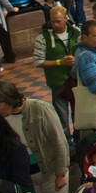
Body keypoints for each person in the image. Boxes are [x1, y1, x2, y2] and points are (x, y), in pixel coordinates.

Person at [33, 7, 79, 137]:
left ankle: (78, 140)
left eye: (58, 21)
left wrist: (77, 59)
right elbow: (38, 61)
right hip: (57, 82)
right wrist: (59, 62)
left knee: (79, 115)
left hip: (76, 81)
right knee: (62, 118)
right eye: (52, 22)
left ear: (66, 19)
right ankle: (67, 143)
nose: (55, 25)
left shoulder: (76, 33)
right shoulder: (43, 38)